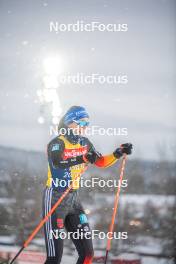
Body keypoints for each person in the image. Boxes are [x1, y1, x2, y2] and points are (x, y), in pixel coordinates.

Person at [43, 106, 133, 264]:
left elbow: (100, 162)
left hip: (74, 199)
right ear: (70, 122)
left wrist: (117, 153)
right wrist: (82, 158)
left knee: (87, 254)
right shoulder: (57, 143)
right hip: (55, 198)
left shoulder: (85, 143)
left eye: (87, 124)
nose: (85, 127)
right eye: (82, 122)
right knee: (54, 258)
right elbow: (58, 163)